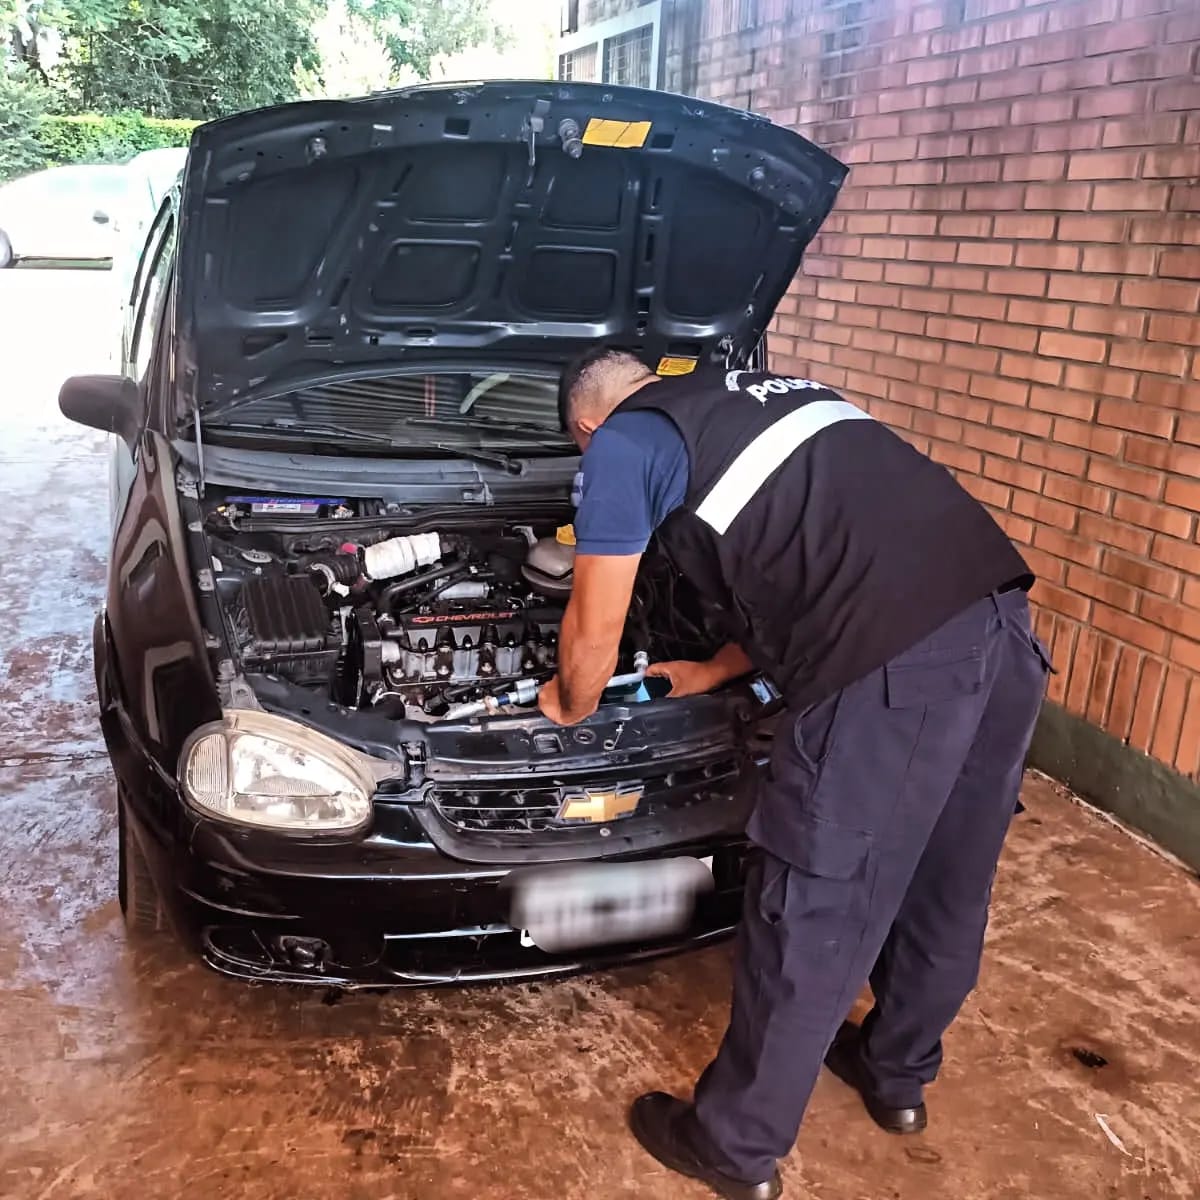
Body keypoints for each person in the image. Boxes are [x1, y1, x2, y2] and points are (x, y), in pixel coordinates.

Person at [538, 347, 1051, 1200]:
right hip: (998, 628)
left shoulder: (624, 441)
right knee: (947, 879)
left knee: (818, 901)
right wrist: (709, 673)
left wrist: (566, 705)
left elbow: (594, 631)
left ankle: (734, 1147)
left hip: (894, 667)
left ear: (588, 426)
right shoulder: (775, 394)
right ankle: (897, 1077)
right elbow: (815, 558)